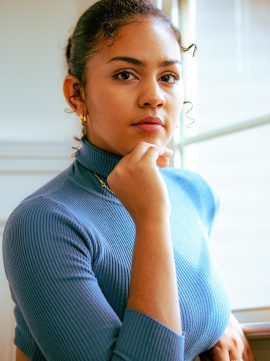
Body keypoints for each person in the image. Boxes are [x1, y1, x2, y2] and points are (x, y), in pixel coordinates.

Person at [3, 1, 255, 360]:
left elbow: (182, 293)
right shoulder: (42, 223)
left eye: (168, 77)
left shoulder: (196, 192)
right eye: (125, 74)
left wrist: (219, 319)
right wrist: (152, 218)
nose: (154, 96)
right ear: (77, 94)